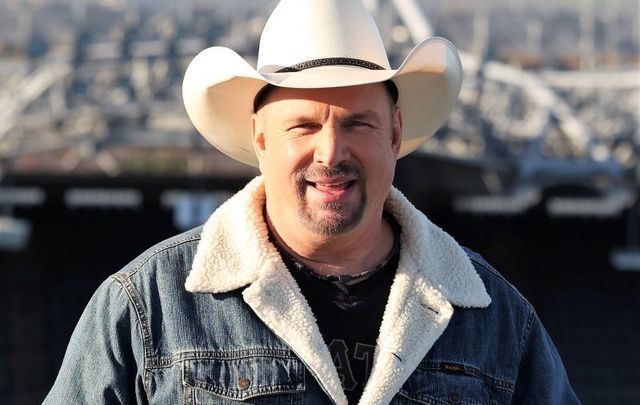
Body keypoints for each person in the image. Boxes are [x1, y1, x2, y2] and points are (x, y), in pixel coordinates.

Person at [44, 0, 580, 404]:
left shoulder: (499, 321)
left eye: (357, 123)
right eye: (303, 125)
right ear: (259, 137)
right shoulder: (144, 307)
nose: (331, 152)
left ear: (394, 134)